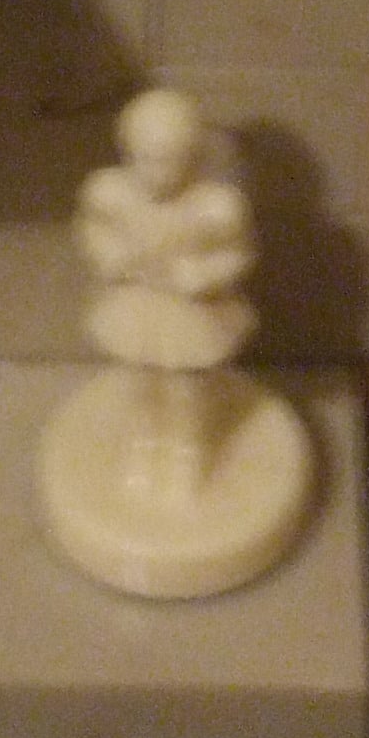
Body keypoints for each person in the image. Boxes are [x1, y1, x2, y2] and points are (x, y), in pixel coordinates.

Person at [76, 88, 258, 500]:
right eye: (145, 159)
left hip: (187, 314)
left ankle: (186, 450)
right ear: (127, 153)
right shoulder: (111, 192)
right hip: (137, 304)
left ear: (193, 156)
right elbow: (93, 230)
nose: (156, 173)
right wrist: (109, 255)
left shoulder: (215, 206)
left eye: (169, 161)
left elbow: (239, 254)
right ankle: (144, 442)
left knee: (185, 387)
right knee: (139, 380)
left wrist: (204, 275)